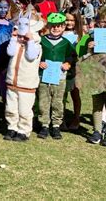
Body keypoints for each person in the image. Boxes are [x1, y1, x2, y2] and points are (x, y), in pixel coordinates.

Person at [78, 6, 106, 147]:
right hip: (96, 75)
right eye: (103, 21)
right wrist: (89, 49)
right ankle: (97, 131)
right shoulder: (91, 37)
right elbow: (83, 58)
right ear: (98, 22)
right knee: (97, 105)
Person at [4, 10, 43, 142]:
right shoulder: (16, 43)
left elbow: (31, 56)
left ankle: (23, 130)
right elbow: (9, 52)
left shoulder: (36, 45)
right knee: (11, 107)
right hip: (12, 82)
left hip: (26, 84)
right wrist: (14, 38)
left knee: (24, 110)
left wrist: (30, 40)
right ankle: (12, 127)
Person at [37, 12, 76, 140]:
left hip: (59, 77)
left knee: (58, 102)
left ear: (63, 27)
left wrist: (68, 63)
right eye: (53, 25)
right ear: (48, 26)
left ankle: (56, 125)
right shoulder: (42, 41)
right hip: (44, 76)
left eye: (59, 26)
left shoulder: (65, 43)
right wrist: (40, 61)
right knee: (44, 100)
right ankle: (44, 125)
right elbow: (36, 54)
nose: (56, 28)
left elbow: (72, 56)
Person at [62, 8, 84, 130]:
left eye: (72, 20)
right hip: (62, 68)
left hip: (76, 69)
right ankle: (61, 118)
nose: (69, 23)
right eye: (67, 20)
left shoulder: (80, 36)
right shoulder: (59, 32)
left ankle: (76, 118)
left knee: (75, 94)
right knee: (61, 94)